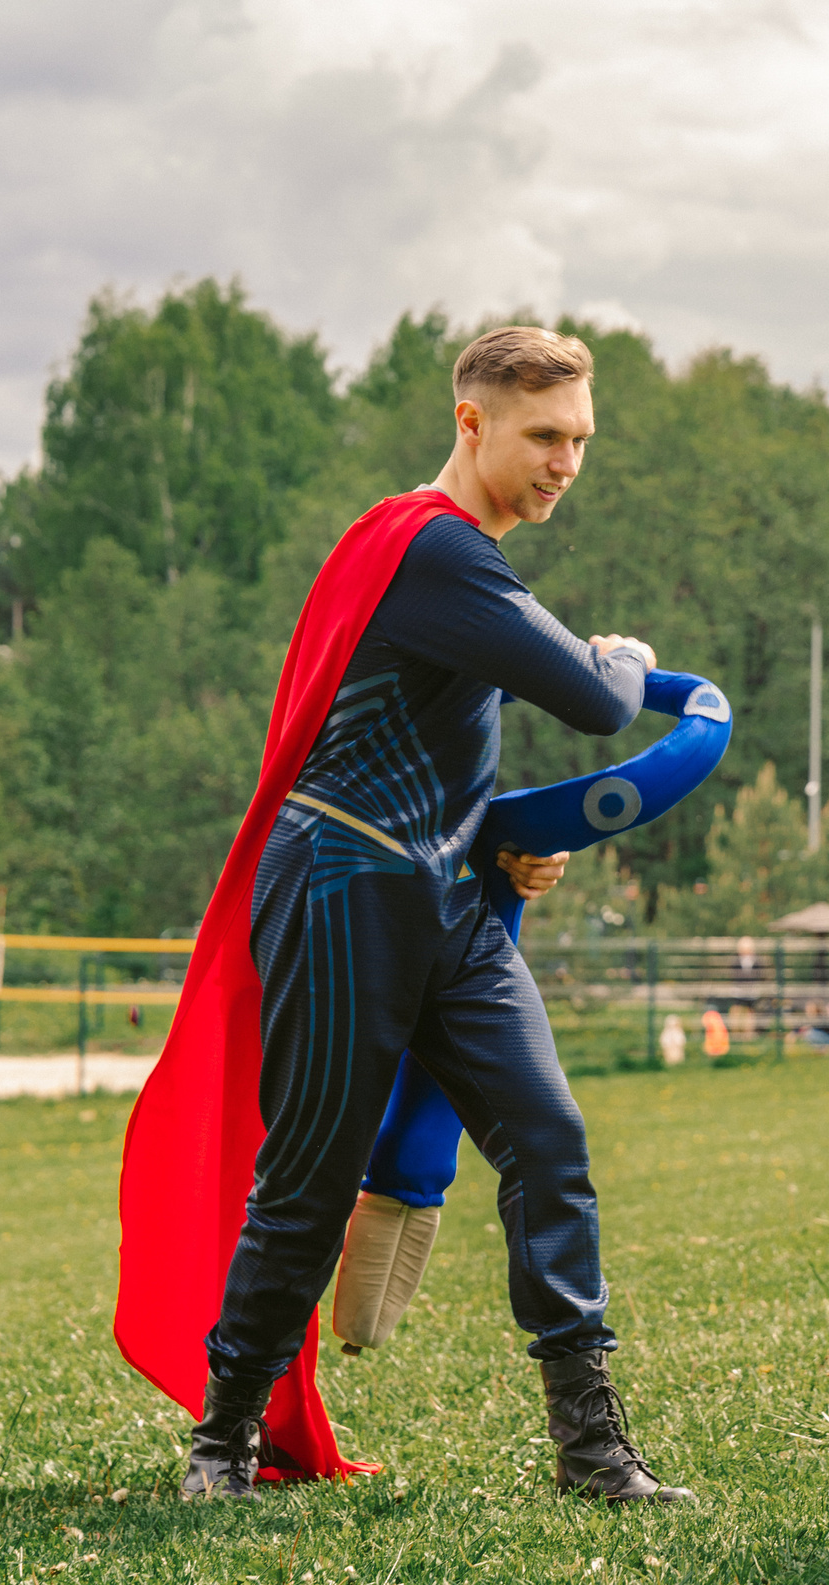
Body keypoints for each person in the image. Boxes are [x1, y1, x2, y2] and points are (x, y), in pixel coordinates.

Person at [170, 325, 691, 1504]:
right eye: (544, 436)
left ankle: (593, 1451)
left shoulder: (438, 556)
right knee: (310, 1176)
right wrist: (625, 653)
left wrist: (496, 838)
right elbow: (599, 702)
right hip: (343, 893)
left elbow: (417, 741)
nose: (566, 463)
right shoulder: (436, 549)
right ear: (471, 422)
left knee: (547, 1142)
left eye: (581, 439)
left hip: (441, 897)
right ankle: (226, 1441)